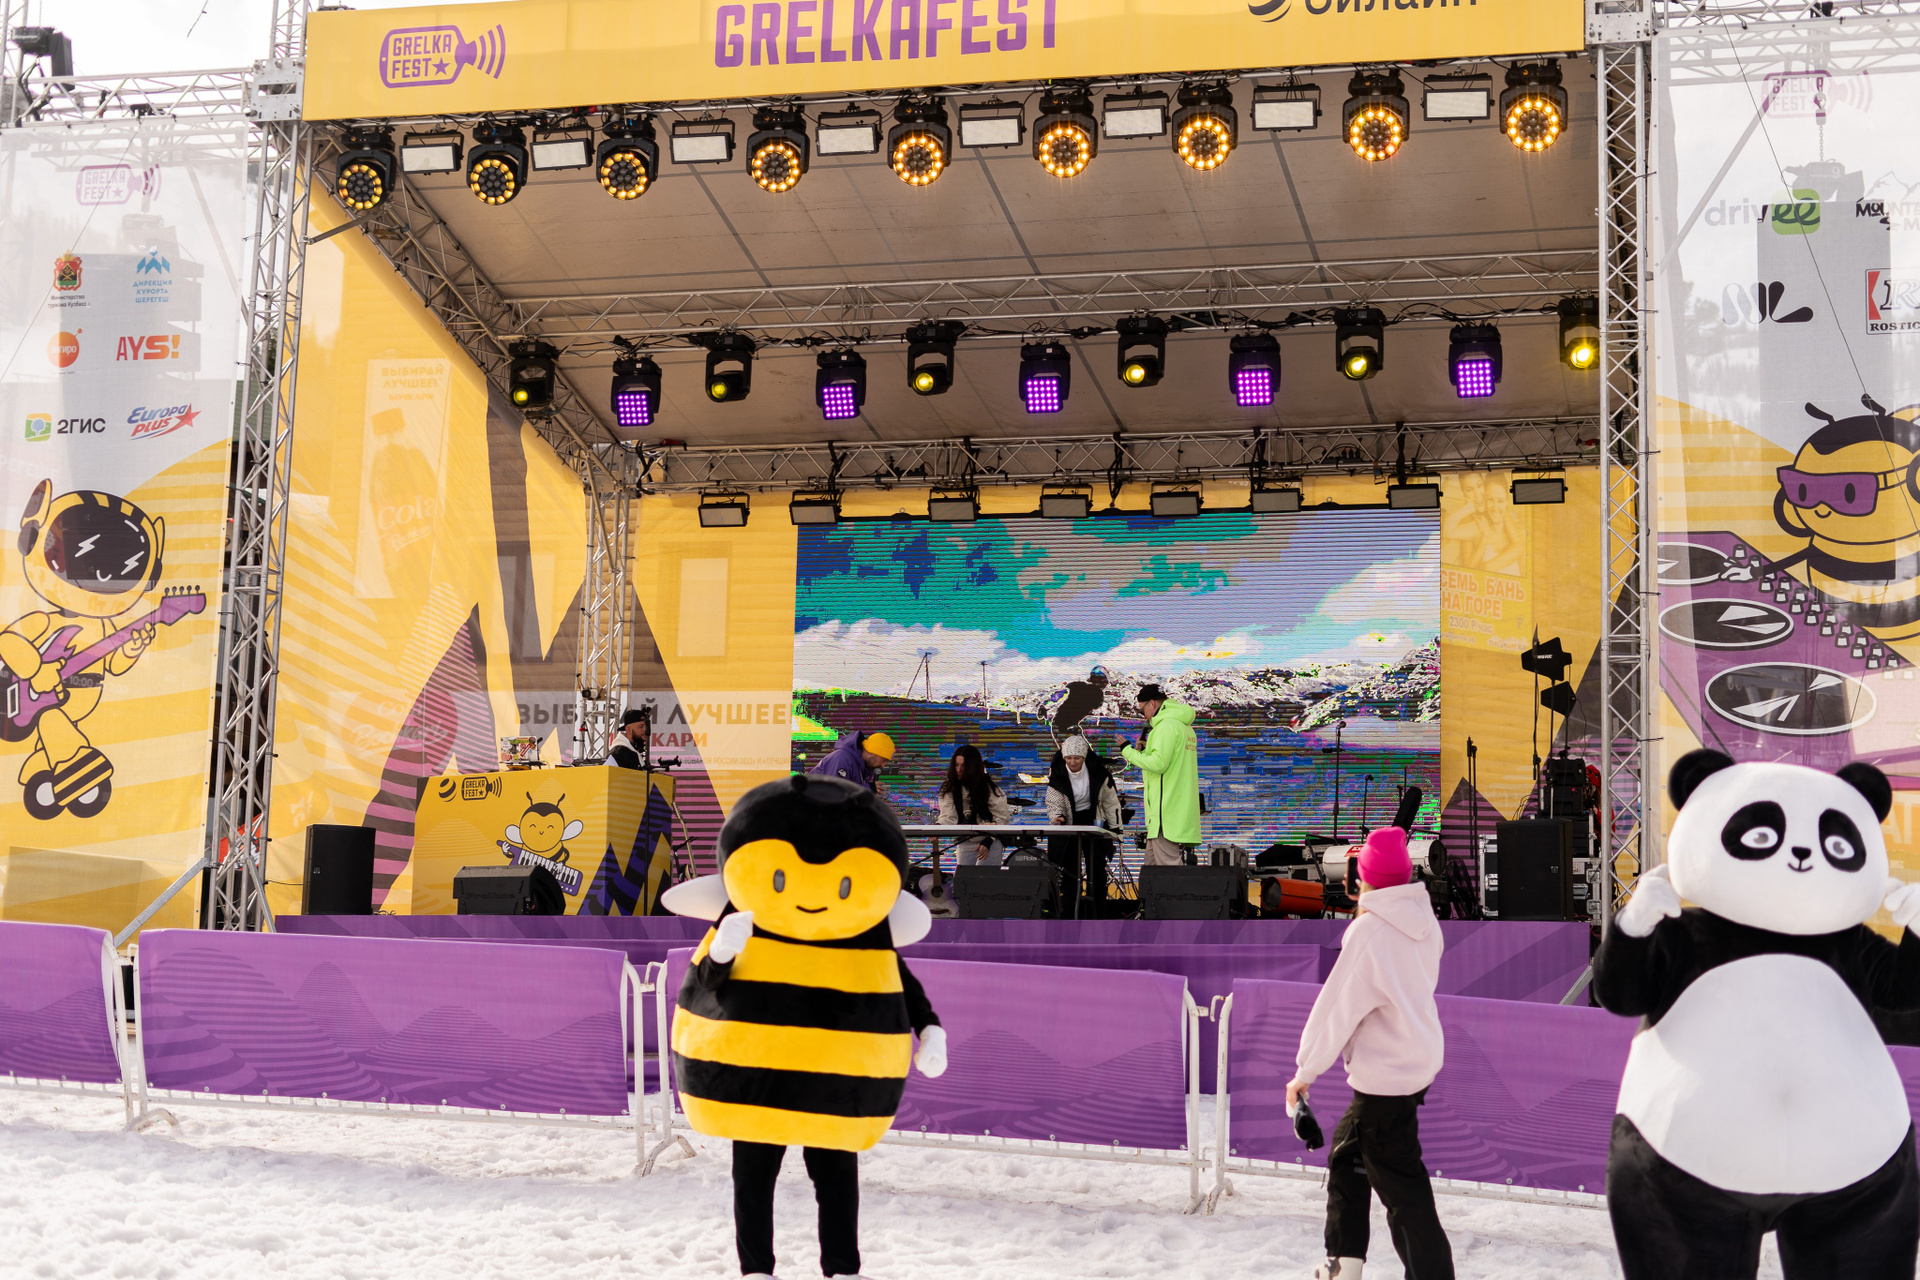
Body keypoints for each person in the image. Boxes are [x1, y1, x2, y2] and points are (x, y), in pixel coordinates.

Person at [1285, 825, 1452, 1280]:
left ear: (1365, 878)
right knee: (1346, 1157)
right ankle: (1344, 1263)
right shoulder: (1423, 920)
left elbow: (1336, 1009)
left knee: (1404, 1195)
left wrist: (1305, 1072)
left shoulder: (1371, 932)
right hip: (1410, 1064)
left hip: (1385, 1079)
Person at [1117, 684, 1200, 867]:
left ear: (1152, 704)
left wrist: (1127, 751)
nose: (1143, 716)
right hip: (1176, 808)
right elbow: (1171, 761)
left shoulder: (1165, 726)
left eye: (1142, 711)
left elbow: (1158, 764)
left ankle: (1179, 888)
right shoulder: (1184, 727)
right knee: (1151, 869)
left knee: (1168, 869)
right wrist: (1147, 750)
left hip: (1166, 812)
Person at [1045, 734, 1122, 917]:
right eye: (1069, 758)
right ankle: (1070, 914)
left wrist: (1116, 830)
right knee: (1070, 872)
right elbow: (1053, 800)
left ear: (1084, 757)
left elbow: (1111, 803)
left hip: (1093, 819)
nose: (1072, 762)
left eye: (1077, 758)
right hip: (1069, 821)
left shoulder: (1098, 773)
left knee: (1097, 871)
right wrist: (1057, 816)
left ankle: (1098, 914)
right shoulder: (1058, 773)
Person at [938, 743, 1010, 869]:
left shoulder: (989, 788)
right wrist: (936, 828)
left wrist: (988, 841)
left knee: (983, 878)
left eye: (963, 766)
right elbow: (949, 817)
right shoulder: (949, 788)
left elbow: (1002, 819)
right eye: (956, 765)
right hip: (965, 840)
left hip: (990, 839)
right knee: (964, 878)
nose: (959, 770)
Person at [810, 729, 894, 791]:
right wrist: (868, 789)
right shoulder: (842, 758)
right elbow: (834, 791)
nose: (883, 765)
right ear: (873, 753)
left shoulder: (865, 766)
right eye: (884, 760)